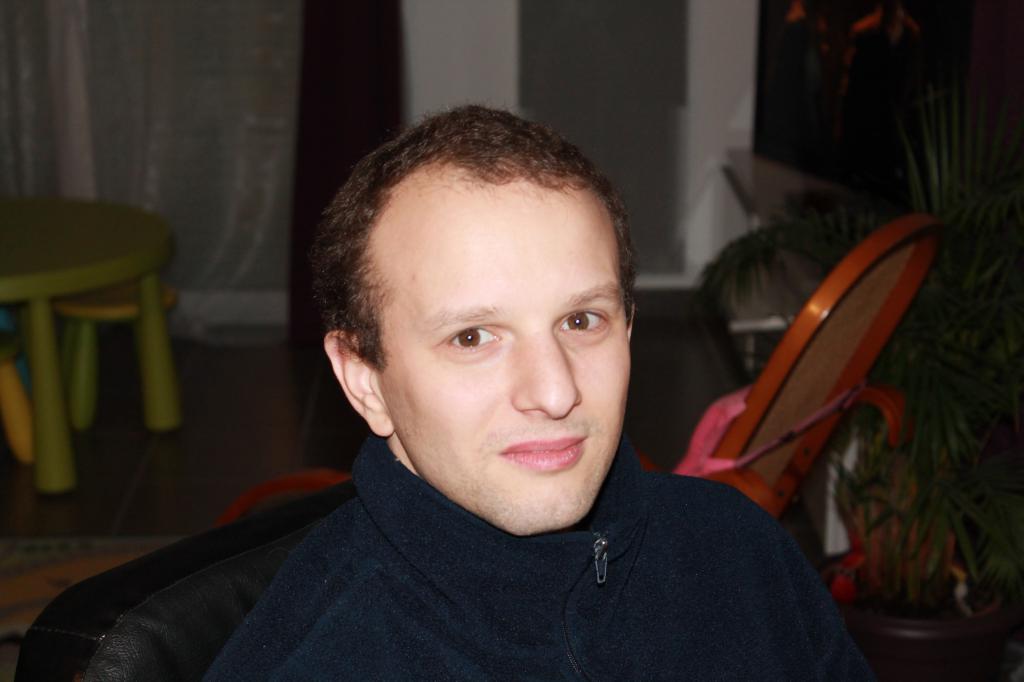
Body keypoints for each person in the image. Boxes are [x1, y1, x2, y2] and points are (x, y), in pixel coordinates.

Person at [205, 106, 873, 680]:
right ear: (364, 379)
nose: (555, 392)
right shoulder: (319, 660)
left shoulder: (741, 554)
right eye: (473, 337)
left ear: (628, 328)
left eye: (581, 321)